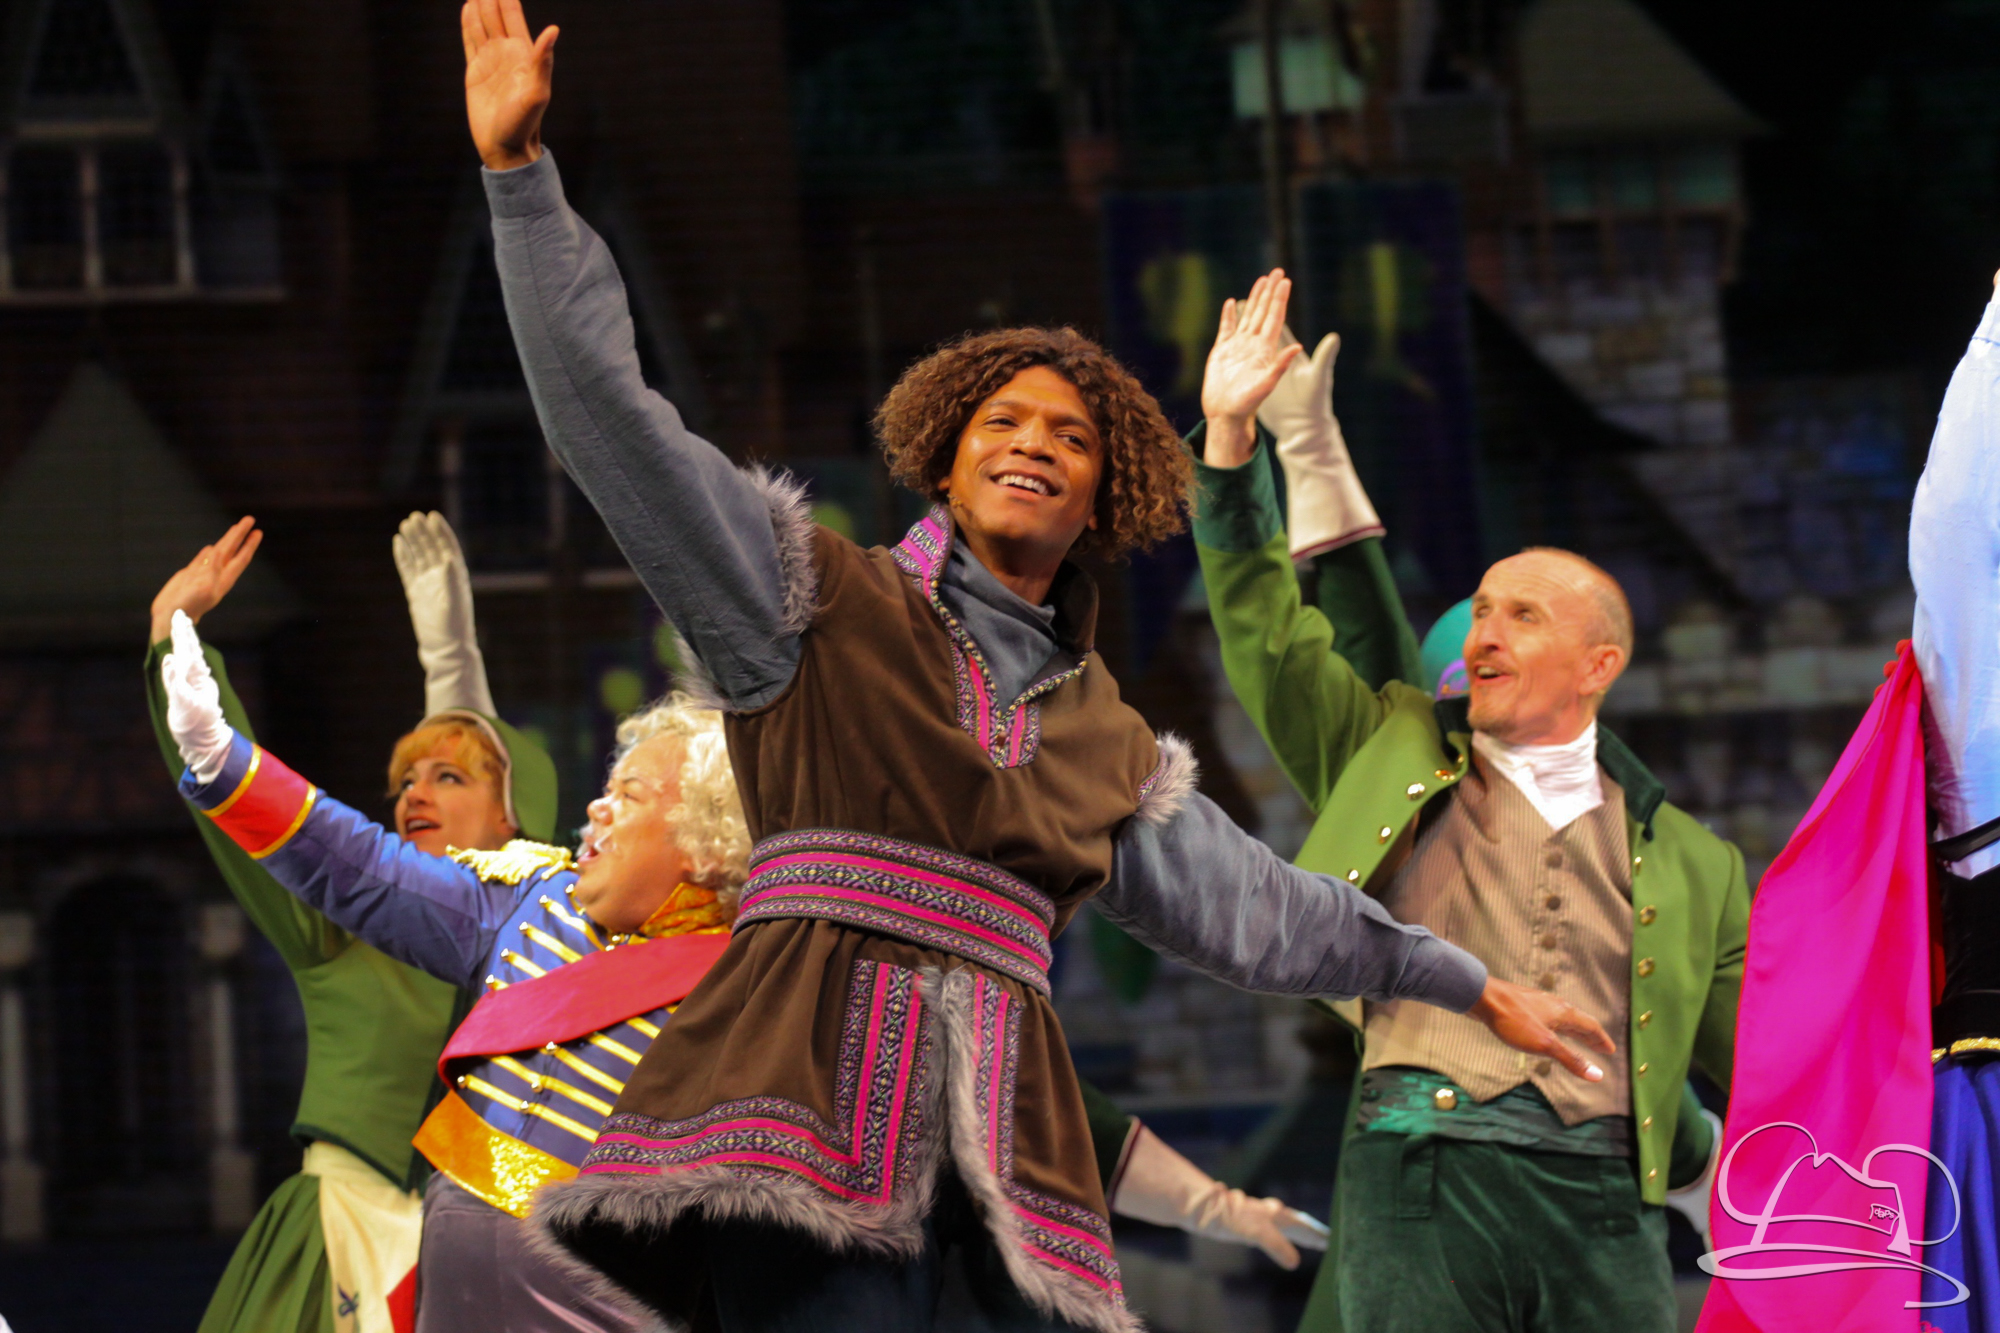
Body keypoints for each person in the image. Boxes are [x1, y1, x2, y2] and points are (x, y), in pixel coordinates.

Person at [454, 6, 1613, 1330]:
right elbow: (613, 428)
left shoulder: (1099, 734)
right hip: (801, 1119)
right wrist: (520, 184)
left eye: (1069, 436)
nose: (1032, 443)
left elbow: (1267, 913)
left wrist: (1464, 978)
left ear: (1100, 497)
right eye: (1000, 420)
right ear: (946, 460)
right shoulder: (813, 599)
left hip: (1012, 1155)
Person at [1193, 285, 1748, 1333]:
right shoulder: (1398, 753)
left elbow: (1761, 1049)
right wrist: (1236, 446)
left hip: (1603, 1204)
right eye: (1480, 615)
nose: (1487, 637)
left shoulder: (1689, 860)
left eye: (1520, 615)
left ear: (1598, 664)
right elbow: (1278, 639)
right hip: (1423, 1167)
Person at [148, 514, 555, 1333]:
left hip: (499, 1257)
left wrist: (455, 661)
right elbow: (240, 796)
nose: (414, 794)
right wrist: (173, 638)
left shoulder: (561, 938)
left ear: (516, 816)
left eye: (447, 777)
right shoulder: (339, 922)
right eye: (404, 780)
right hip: (343, 1238)